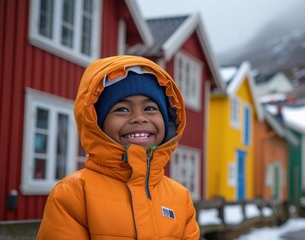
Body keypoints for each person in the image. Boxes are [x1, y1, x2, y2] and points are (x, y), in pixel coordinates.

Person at [36, 55, 200, 239]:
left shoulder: (180, 197)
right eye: (122, 109)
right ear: (97, 124)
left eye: (150, 108)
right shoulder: (74, 194)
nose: (139, 117)